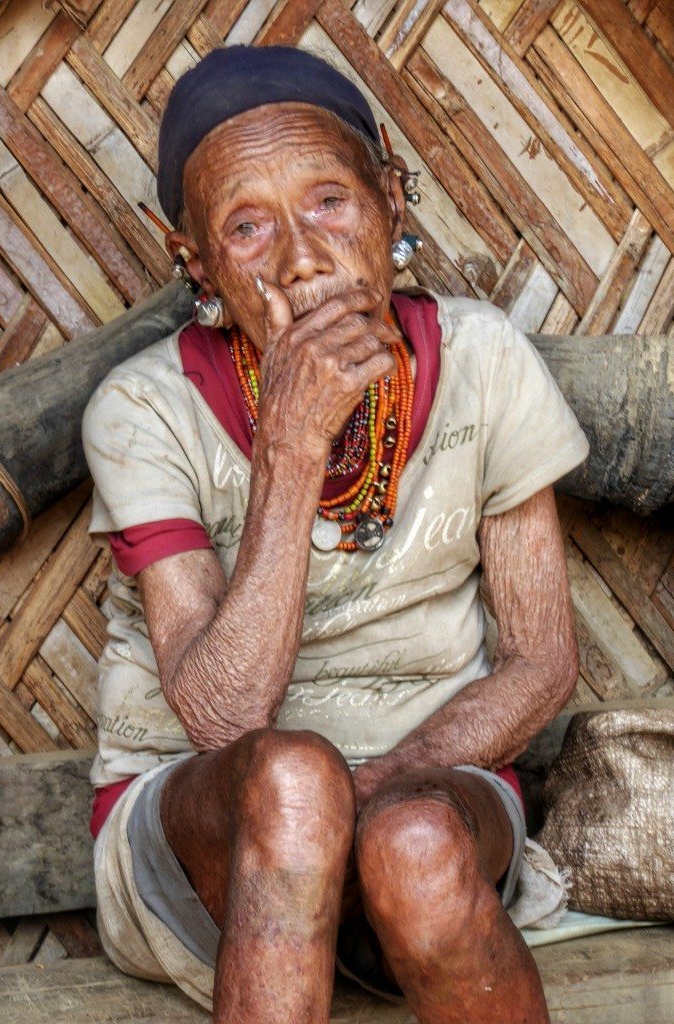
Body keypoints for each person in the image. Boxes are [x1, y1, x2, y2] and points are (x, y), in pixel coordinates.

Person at [82, 45, 588, 1024]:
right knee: (290, 779)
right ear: (197, 263)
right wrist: (291, 448)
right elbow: (224, 722)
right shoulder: (142, 411)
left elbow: (542, 660)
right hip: (203, 836)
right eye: (247, 226)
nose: (301, 257)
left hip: (435, 798)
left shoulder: (483, 360)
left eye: (329, 203)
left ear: (393, 198)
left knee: (412, 841)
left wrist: (391, 781)